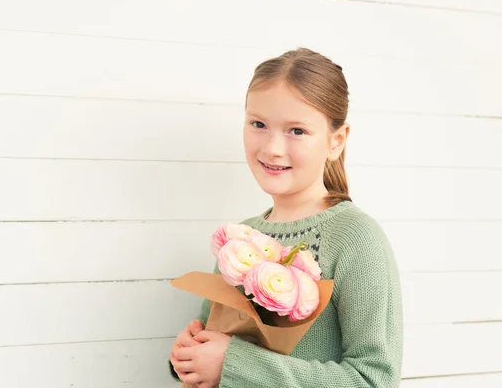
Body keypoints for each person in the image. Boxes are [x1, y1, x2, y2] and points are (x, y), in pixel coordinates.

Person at [168, 48, 403, 387]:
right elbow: (215, 349)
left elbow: (374, 380)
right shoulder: (240, 240)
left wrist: (233, 363)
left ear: (336, 141)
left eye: (296, 131)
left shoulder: (355, 237)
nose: (272, 148)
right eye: (258, 124)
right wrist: (189, 357)